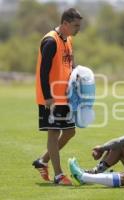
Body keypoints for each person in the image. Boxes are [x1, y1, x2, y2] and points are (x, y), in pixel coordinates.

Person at [32, 8, 82, 185]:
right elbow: (43, 72)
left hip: (65, 96)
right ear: (65, 23)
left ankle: (42, 160)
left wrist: (78, 74)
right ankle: (59, 175)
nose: (78, 29)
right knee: (54, 133)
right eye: (75, 25)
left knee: (69, 131)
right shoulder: (50, 41)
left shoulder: (68, 39)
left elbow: (70, 63)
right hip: (51, 98)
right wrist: (47, 97)